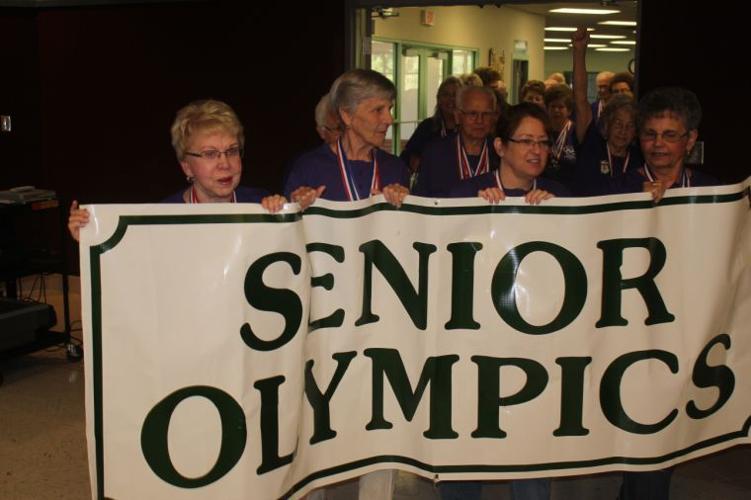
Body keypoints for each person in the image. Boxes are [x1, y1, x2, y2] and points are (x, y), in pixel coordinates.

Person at [446, 103, 567, 500]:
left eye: (544, 143)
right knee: (464, 439)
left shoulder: (561, 199)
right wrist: (473, 216)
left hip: (532, 345)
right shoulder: (464, 194)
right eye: (526, 141)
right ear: (500, 146)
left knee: (530, 444)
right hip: (474, 345)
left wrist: (560, 217)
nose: (537, 151)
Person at [68, 99, 286, 241]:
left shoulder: (261, 203)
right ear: (186, 166)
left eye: (231, 151)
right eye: (210, 154)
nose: (225, 163)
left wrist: (287, 214)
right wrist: (90, 240)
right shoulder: (163, 217)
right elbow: (132, 275)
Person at [284, 68, 409, 210]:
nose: (389, 119)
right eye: (378, 110)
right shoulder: (309, 168)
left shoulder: (396, 169)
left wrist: (405, 206)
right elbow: (288, 227)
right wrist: (296, 208)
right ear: (347, 116)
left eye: (390, 109)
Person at [571, 27, 642, 195]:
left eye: (629, 126)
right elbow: (580, 98)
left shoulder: (639, 157)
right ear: (607, 124)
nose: (623, 131)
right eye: (618, 124)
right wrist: (579, 51)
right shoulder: (591, 143)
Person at [413, 85, 500, 197]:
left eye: (486, 114)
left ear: (494, 117)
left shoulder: (502, 154)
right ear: (458, 116)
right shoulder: (435, 153)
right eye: (472, 114)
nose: (480, 120)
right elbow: (422, 200)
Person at [399, 76, 463, 175]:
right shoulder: (427, 126)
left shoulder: (469, 128)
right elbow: (407, 158)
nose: (451, 99)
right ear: (439, 99)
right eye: (446, 95)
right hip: (430, 185)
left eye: (455, 95)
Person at [543, 83, 577, 187]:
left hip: (571, 189)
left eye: (561, 107)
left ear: (569, 111)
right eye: (552, 106)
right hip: (545, 188)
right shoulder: (542, 132)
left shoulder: (577, 133)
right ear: (546, 109)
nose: (556, 111)